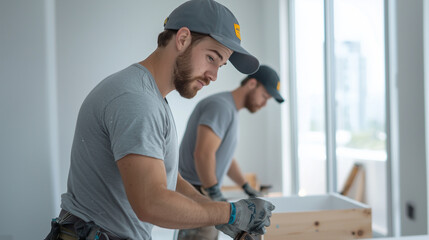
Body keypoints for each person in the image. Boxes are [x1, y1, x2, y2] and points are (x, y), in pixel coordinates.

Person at [44, 0, 275, 240]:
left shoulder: (151, 97)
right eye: (211, 58)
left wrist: (211, 209)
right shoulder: (136, 100)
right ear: (183, 39)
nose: (214, 75)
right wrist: (229, 212)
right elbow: (151, 203)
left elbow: (167, 175)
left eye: (221, 65)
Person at [177, 65, 284, 239]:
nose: (264, 104)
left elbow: (224, 157)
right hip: (197, 191)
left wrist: (246, 186)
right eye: (264, 96)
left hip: (203, 189)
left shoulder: (229, 110)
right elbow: (203, 154)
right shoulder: (221, 107)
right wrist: (214, 193)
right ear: (251, 84)